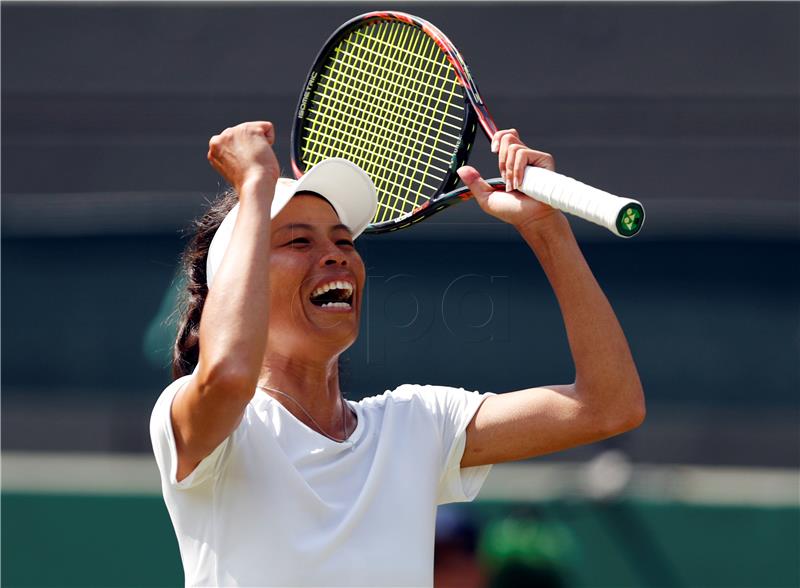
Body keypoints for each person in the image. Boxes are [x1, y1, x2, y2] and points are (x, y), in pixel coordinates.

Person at [150, 121, 645, 587]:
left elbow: (609, 405)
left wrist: (546, 229)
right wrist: (256, 184)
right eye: (298, 240)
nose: (336, 254)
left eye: (343, 240)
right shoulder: (198, 420)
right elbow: (229, 374)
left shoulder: (418, 424)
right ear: (237, 284)